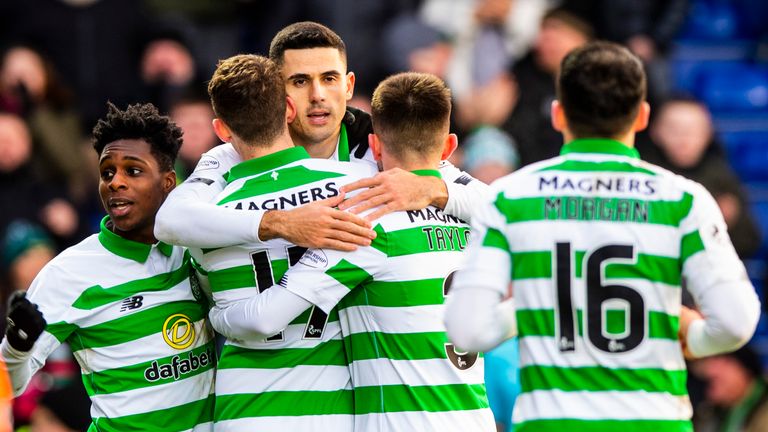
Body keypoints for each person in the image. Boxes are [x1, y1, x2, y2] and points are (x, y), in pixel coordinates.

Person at [445, 42, 761, 431]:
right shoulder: (683, 199)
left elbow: (467, 329)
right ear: (642, 116)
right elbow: (736, 322)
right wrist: (693, 338)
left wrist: (535, 302)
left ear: (558, 115)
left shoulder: (510, 198)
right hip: (654, 421)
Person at [210, 72, 496, 431]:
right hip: (475, 419)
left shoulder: (370, 224)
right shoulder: (477, 219)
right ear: (449, 147)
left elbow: (264, 320)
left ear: (374, 147)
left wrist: (217, 315)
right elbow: (508, 207)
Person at [154, 21, 488, 252]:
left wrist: (434, 188)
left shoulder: (380, 142)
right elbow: (170, 222)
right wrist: (281, 223)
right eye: (300, 81)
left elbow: (497, 207)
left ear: (349, 86)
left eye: (329, 79)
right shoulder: (234, 153)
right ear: (277, 92)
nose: (317, 95)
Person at [0, 102, 215, 431]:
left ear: (168, 182)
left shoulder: (195, 249)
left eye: (133, 170)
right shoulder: (69, 273)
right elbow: (11, 382)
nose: (115, 182)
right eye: (107, 173)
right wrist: (16, 346)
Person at [198, 53, 377, 431]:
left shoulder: (207, 215)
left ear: (221, 130)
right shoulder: (354, 187)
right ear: (289, 112)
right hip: (332, 414)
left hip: (242, 413)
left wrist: (219, 318)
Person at [692, 345, 768, 432]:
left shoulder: (763, 406)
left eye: (724, 361)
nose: (710, 371)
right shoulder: (709, 417)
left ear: (744, 369)